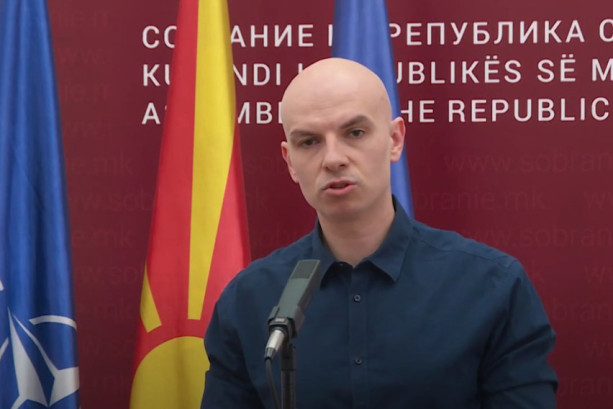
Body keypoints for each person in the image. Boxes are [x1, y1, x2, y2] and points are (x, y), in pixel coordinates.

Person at [201, 58, 557, 408]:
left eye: (354, 133)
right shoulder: (248, 300)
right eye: (309, 142)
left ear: (395, 140)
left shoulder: (492, 286)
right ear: (290, 161)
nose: (333, 158)